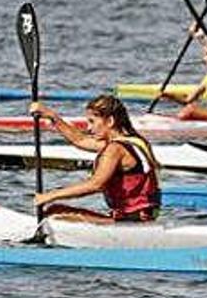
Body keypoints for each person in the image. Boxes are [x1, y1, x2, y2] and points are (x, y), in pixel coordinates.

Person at [29, 94, 161, 224]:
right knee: (56, 210)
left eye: (92, 121)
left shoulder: (115, 149)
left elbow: (95, 185)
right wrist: (52, 116)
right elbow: (80, 140)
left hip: (131, 222)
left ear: (110, 121)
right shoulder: (135, 141)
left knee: (55, 215)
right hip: (141, 218)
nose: (89, 128)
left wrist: (49, 196)